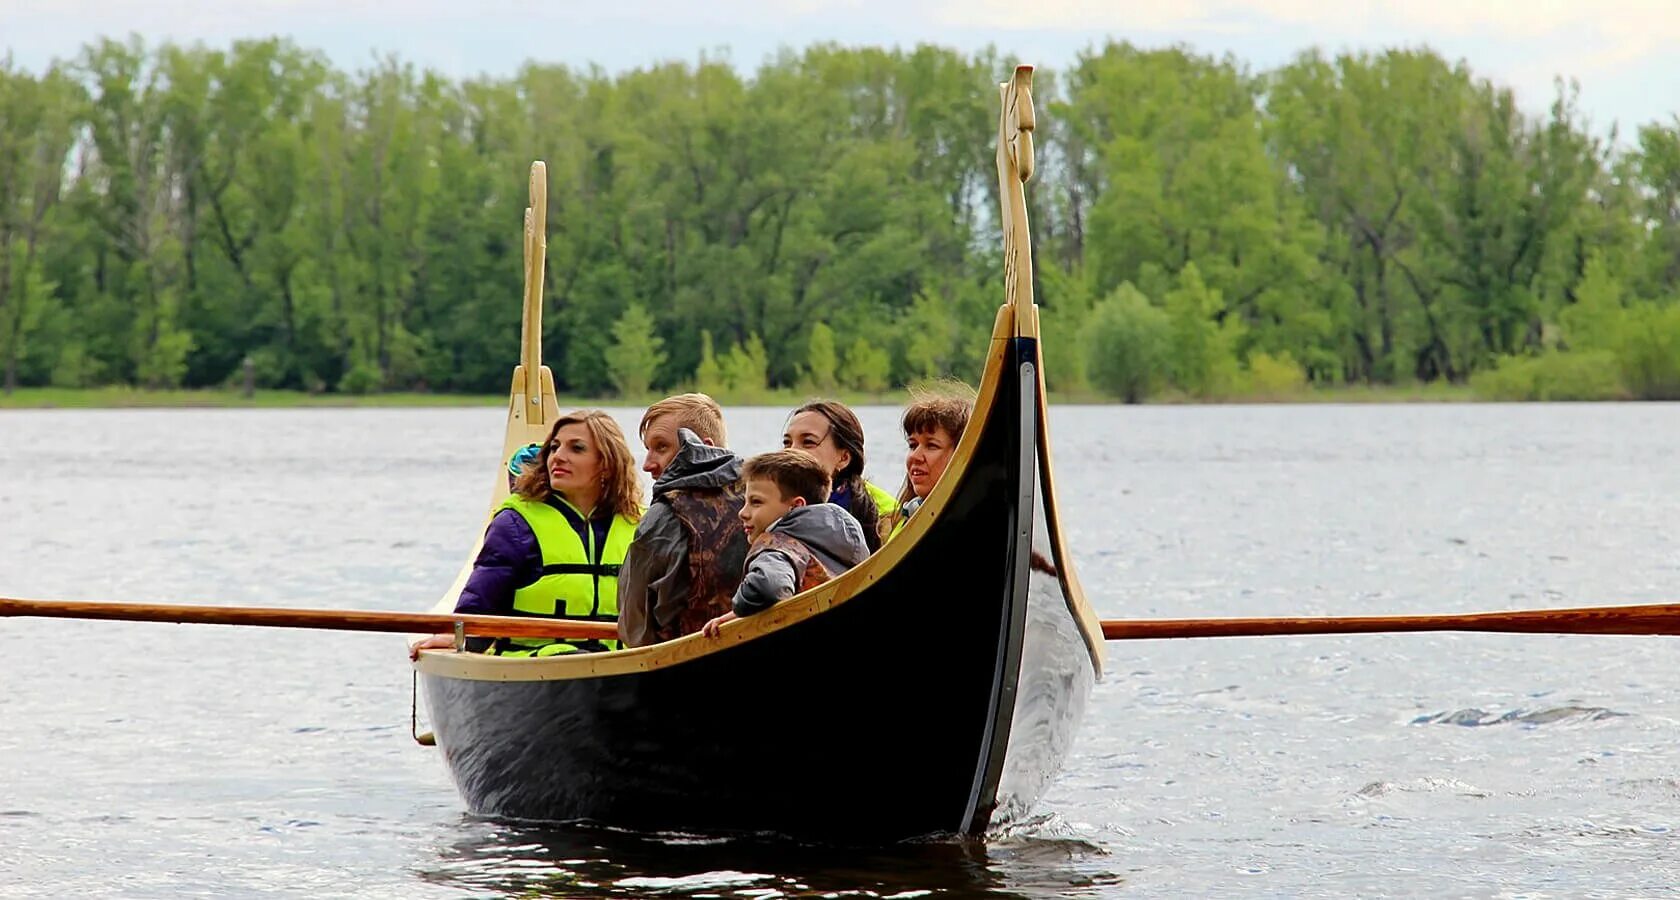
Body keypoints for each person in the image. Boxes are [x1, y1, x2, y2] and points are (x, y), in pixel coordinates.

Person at [409, 410, 643, 658]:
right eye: (554, 448)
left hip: (621, 658)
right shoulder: (515, 524)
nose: (558, 457)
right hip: (537, 658)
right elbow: (482, 599)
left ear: (607, 464)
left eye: (576, 448)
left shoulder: (640, 524)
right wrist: (455, 637)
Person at [617, 393, 750, 647]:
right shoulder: (762, 498)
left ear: (704, 447)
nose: (647, 465)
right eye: (648, 449)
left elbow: (633, 625)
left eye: (661, 447)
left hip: (679, 661)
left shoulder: (663, 515)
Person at [702, 449, 870, 636]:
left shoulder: (778, 545)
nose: (743, 512)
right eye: (745, 502)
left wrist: (741, 606)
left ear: (796, 506)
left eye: (756, 502)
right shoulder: (847, 544)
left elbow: (769, 586)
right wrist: (737, 616)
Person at [782, 400, 897, 553]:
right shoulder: (766, 504)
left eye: (808, 442)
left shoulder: (886, 516)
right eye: (787, 443)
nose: (792, 451)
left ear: (843, 458)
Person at [881, 386, 975, 542]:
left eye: (932, 445)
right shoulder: (902, 518)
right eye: (912, 445)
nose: (915, 457)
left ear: (961, 455)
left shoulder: (971, 528)